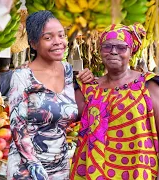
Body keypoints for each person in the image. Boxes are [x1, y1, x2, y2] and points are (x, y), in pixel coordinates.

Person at [71, 23, 159, 180]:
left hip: (137, 171)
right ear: (100, 51)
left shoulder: (148, 85)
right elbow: (64, 117)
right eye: (107, 46)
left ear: (131, 51)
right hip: (95, 173)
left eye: (121, 47)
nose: (113, 51)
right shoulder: (89, 89)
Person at [7, 11, 94, 180]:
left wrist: (88, 85)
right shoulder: (22, 76)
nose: (58, 42)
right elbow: (18, 128)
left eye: (61, 35)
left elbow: (74, 114)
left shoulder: (68, 71)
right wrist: (36, 170)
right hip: (26, 167)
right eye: (48, 38)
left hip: (60, 165)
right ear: (33, 43)